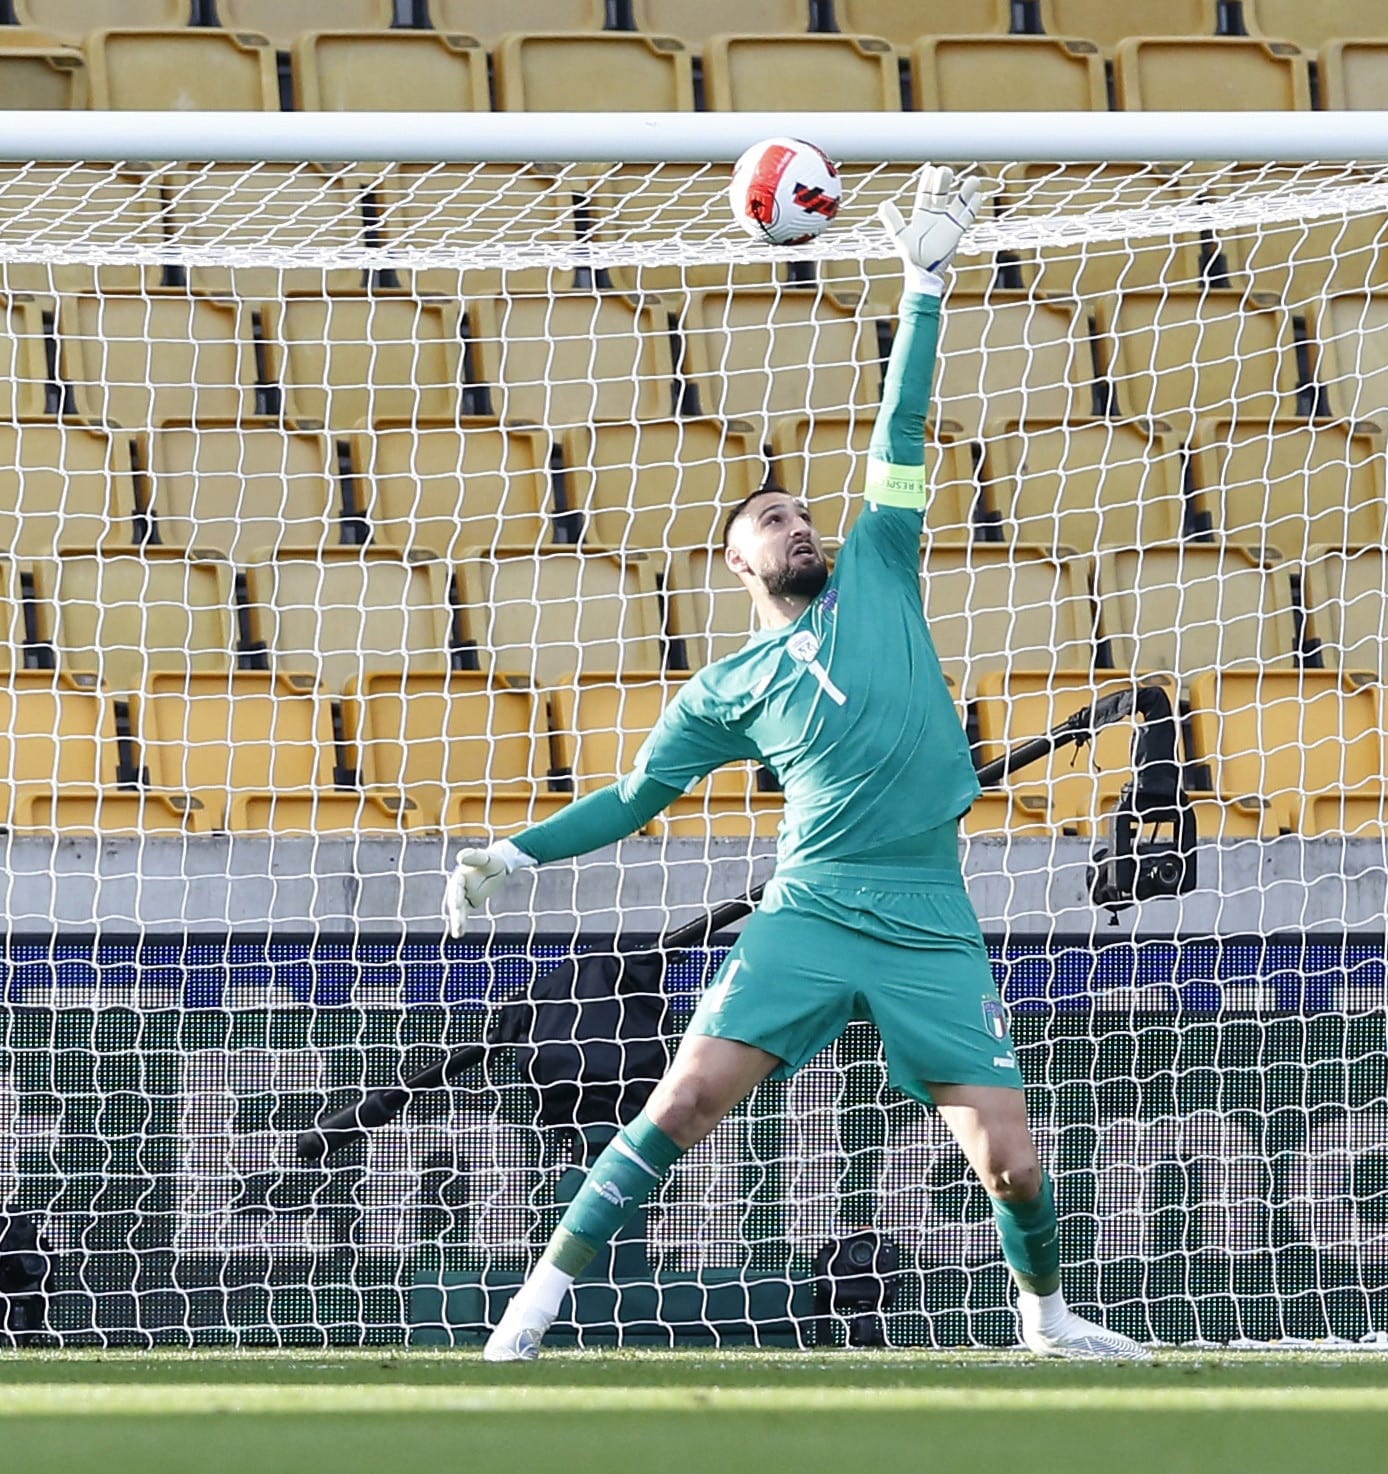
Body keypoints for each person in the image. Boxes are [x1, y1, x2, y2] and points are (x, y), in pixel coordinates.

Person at [446, 166, 1146, 1363]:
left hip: (929, 913)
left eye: (798, 513)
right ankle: (529, 1316)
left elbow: (901, 427)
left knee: (1012, 1163)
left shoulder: (881, 559)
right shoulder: (722, 688)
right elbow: (631, 798)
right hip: (809, 911)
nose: (797, 524)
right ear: (735, 564)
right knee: (680, 1105)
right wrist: (514, 852)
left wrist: (922, 284)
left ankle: (1046, 1322)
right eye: (770, 520)